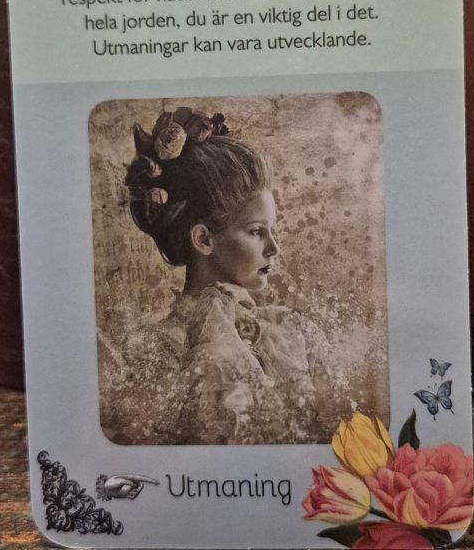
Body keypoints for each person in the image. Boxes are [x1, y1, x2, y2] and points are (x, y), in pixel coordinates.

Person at [102, 107, 337, 445]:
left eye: (272, 230)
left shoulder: (296, 332)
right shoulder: (153, 350)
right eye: (256, 231)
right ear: (203, 239)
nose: (274, 248)